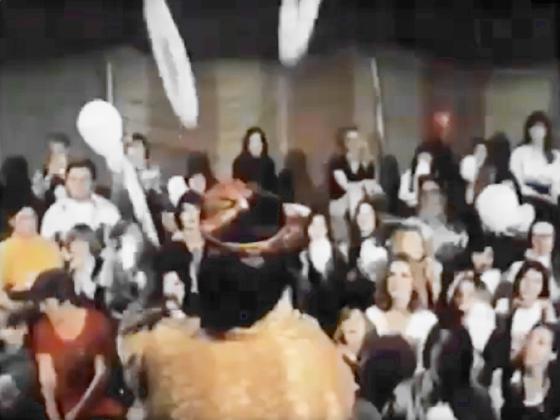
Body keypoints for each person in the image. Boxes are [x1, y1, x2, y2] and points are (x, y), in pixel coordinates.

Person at [13, 269, 125, 420]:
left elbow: (101, 376)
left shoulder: (96, 323)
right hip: (62, 409)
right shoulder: (43, 329)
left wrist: (75, 413)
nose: (42, 309)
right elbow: (47, 380)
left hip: (98, 408)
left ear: (64, 300)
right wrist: (53, 414)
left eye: (46, 303)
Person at [365, 255, 438, 371]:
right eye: (392, 275)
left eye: (404, 276)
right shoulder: (372, 316)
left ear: (413, 283)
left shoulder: (427, 321)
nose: (397, 280)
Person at [41, 159, 121, 241]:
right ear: (66, 183)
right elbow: (45, 246)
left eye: (84, 179)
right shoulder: (54, 213)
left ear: (93, 183)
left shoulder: (109, 211)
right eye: (73, 179)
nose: (78, 184)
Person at [296, 213, 346, 336]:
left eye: (321, 225)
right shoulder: (301, 256)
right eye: (313, 224)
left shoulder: (338, 256)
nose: (317, 229)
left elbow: (343, 290)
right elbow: (300, 292)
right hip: (309, 321)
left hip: (334, 320)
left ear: (326, 229)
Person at [328, 127, 376, 243]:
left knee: (361, 199)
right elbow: (345, 185)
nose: (354, 143)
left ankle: (362, 234)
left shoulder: (367, 163)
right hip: (340, 202)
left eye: (357, 139)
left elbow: (370, 187)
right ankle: (356, 233)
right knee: (354, 192)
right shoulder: (337, 162)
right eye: (350, 140)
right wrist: (361, 184)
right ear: (345, 143)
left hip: (360, 203)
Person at [0, 206, 63, 292]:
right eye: (24, 218)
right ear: (13, 222)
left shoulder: (51, 246)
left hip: (47, 293)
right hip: (16, 294)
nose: (29, 222)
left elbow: (57, 276)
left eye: (32, 217)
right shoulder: (4, 248)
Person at [32, 133, 71, 208]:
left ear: (67, 151)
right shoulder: (44, 173)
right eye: (53, 152)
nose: (56, 157)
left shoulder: (73, 173)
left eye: (59, 152)